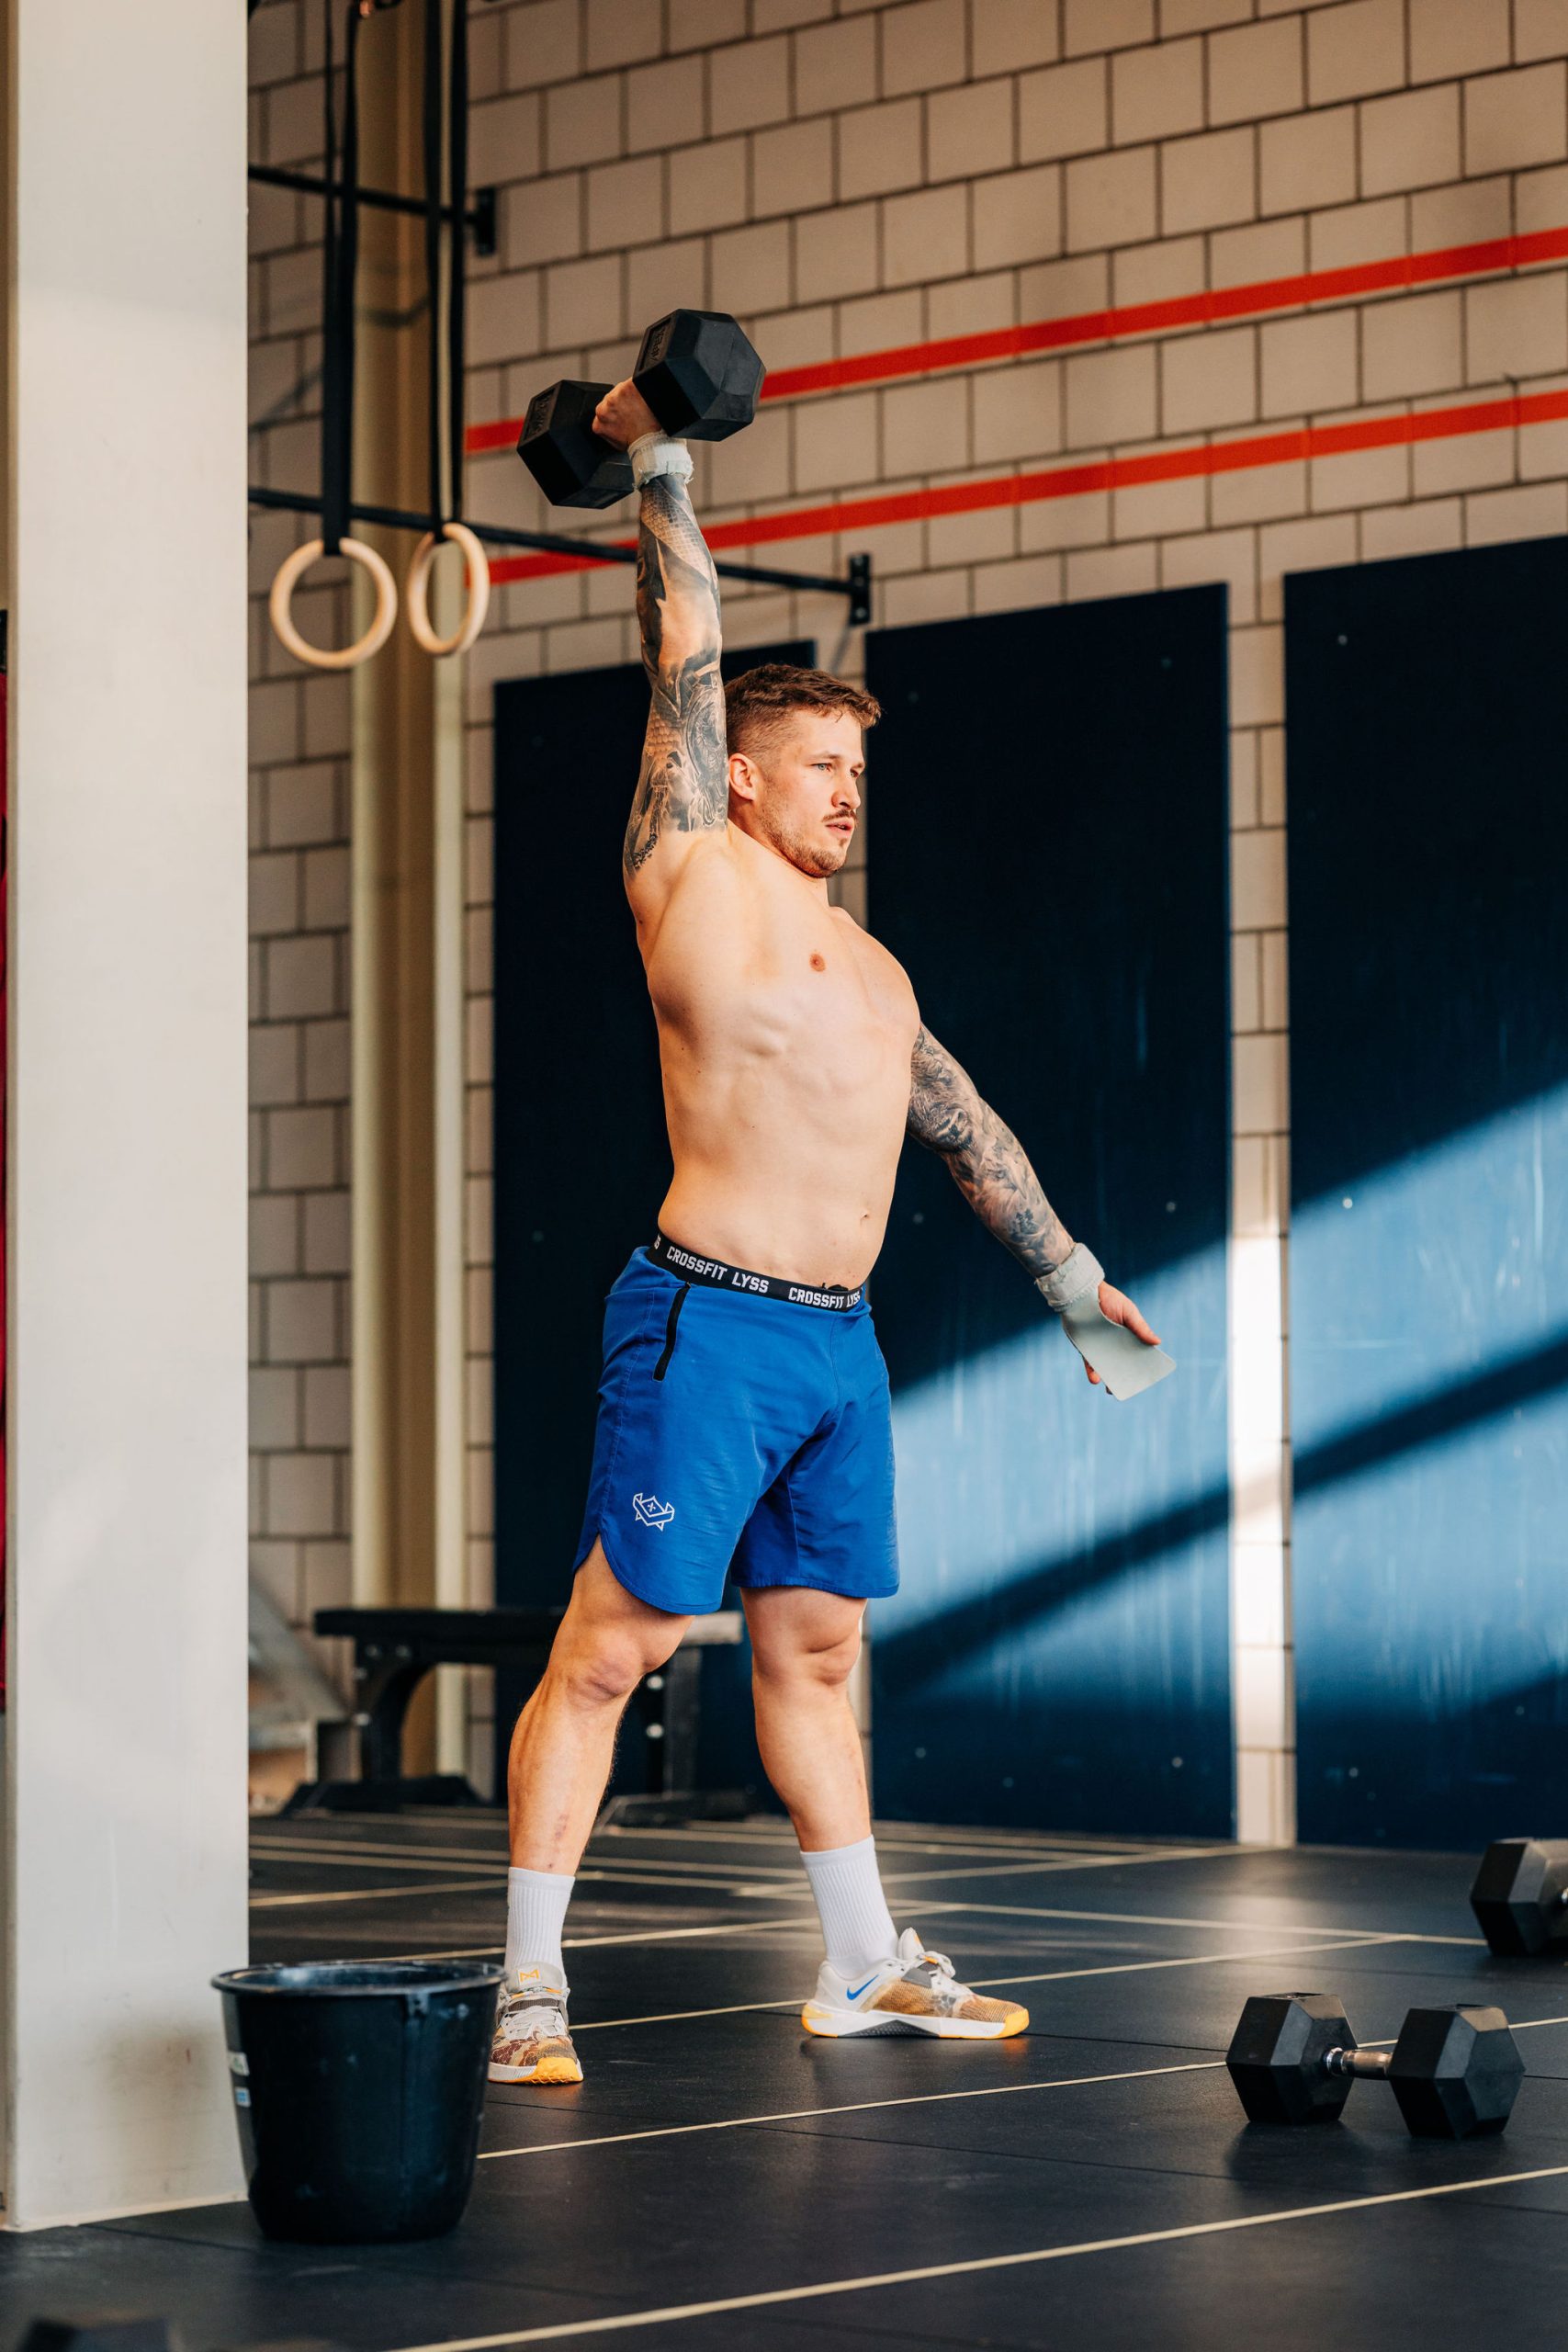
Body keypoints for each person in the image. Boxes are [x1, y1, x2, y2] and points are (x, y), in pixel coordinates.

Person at [490, 381, 1168, 2086]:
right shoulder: (689, 874)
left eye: (861, 771)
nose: (851, 794)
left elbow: (958, 1118)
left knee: (820, 1649)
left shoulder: (873, 965)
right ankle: (525, 1987)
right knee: (615, 1649)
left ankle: (863, 1963)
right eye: (822, 766)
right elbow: (686, 653)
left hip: (836, 1347)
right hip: (707, 1321)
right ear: (740, 776)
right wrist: (658, 461)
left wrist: (1068, 1276)